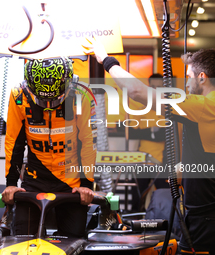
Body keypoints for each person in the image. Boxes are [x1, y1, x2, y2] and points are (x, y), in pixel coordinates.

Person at [84, 39, 215, 254]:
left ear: (202, 78)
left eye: (189, 77)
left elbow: (137, 92)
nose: (187, 83)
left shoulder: (203, 106)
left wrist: (106, 60)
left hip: (205, 220)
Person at [1, 57, 97, 237]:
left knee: (73, 243)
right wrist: (11, 184)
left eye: (54, 101)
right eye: (42, 101)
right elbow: (14, 141)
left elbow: (88, 142)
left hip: (72, 181)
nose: (48, 106)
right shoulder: (18, 95)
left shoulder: (81, 95)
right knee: (24, 241)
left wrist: (86, 185)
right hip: (34, 180)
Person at [129, 73, 168, 211]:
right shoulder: (141, 109)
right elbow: (132, 133)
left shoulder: (168, 110)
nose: (156, 90)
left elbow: (163, 135)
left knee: (166, 196)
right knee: (138, 196)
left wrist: (146, 131)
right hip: (142, 160)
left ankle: (165, 226)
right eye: (153, 86)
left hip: (162, 162)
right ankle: (134, 224)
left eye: (159, 87)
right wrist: (153, 131)